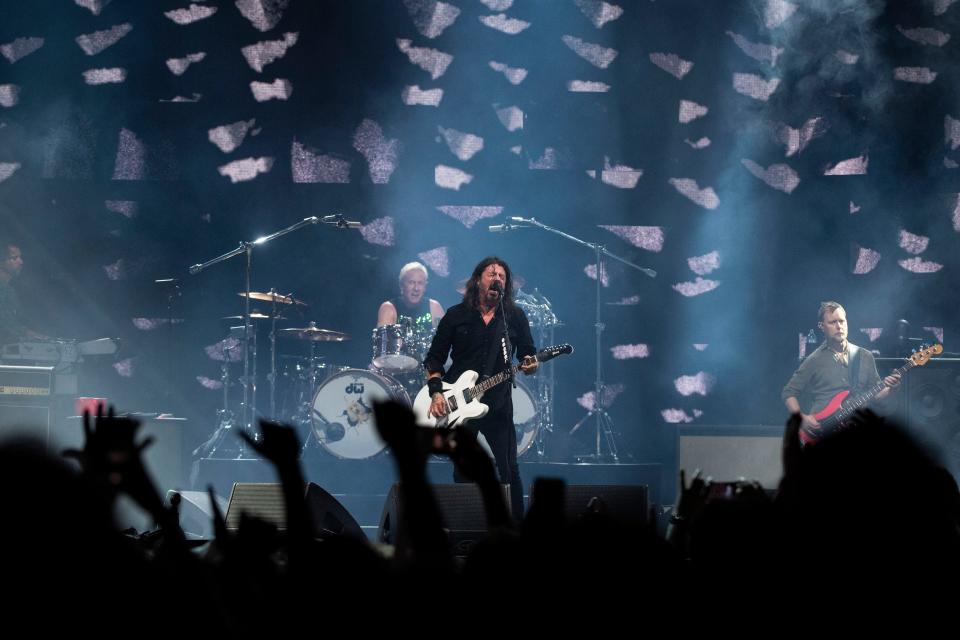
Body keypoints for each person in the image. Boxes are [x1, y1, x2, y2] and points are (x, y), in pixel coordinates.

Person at [422, 257, 538, 520]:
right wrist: (436, 392)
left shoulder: (514, 317)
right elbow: (434, 358)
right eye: (491, 274)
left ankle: (516, 531)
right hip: (460, 403)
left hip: (498, 403)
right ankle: (467, 528)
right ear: (477, 280)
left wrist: (531, 364)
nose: (497, 278)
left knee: (510, 470)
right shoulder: (456, 315)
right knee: (463, 470)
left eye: (502, 276)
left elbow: (528, 354)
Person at [782, 301, 900, 440]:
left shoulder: (865, 356)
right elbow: (789, 392)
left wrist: (892, 389)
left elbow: (876, 393)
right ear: (822, 326)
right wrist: (801, 418)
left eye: (842, 321)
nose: (839, 326)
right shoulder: (813, 360)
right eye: (833, 322)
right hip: (821, 431)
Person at [0, 241, 44, 345]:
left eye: (20, 257)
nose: (21, 262)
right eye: (14, 258)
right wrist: (26, 333)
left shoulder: (10, 290)